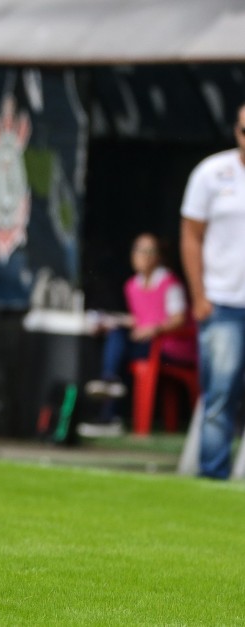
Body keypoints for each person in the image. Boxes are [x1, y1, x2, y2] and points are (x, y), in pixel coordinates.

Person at [180, 102, 245, 480]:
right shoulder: (210, 173)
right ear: (235, 131)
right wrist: (199, 296)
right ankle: (213, 481)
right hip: (222, 301)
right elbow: (190, 235)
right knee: (220, 396)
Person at [79, 233, 197, 438]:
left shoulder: (170, 283)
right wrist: (112, 321)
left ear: (158, 257)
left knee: (120, 350)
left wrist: (153, 329)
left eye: (148, 251)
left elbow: (177, 319)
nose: (142, 256)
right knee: (115, 335)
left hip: (171, 346)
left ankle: (109, 399)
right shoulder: (132, 285)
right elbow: (139, 318)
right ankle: (109, 402)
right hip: (147, 343)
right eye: (139, 250)